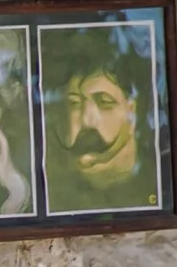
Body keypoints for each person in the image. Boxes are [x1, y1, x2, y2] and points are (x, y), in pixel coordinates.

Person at [41, 29, 159, 214]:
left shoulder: (153, 182)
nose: (87, 120)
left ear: (132, 109)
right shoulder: (51, 186)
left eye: (105, 102)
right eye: (75, 103)